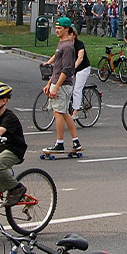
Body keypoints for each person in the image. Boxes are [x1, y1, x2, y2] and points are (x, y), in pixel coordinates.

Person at [42, 17, 81, 154]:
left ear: (67, 29)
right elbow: (57, 67)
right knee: (63, 113)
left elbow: (66, 69)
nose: (57, 30)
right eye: (56, 28)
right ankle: (76, 141)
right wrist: (49, 83)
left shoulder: (68, 47)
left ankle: (59, 143)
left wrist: (57, 86)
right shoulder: (62, 44)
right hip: (57, 82)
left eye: (59, 28)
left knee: (58, 112)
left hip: (63, 84)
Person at [71, 28, 91, 123]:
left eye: (70, 34)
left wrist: (73, 68)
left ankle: (75, 112)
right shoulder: (66, 45)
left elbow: (80, 57)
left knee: (77, 89)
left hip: (83, 68)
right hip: (73, 69)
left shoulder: (79, 44)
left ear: (74, 35)